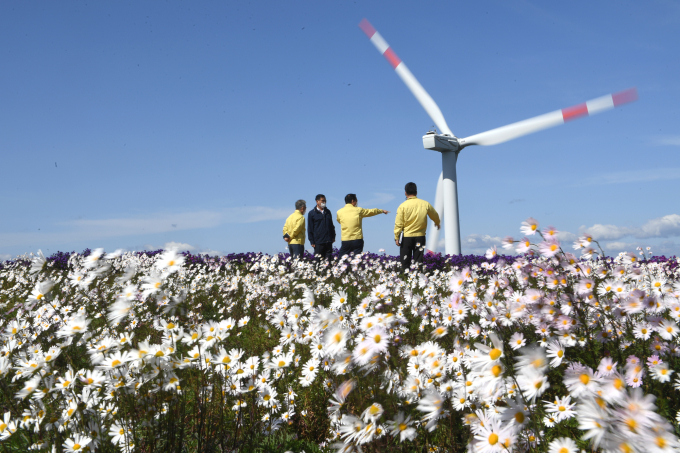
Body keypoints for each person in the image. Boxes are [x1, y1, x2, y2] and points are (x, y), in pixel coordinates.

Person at [394, 182, 440, 271]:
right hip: (420, 237)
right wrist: (437, 222)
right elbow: (435, 215)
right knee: (418, 261)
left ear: (405, 193)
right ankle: (418, 278)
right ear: (416, 192)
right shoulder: (425, 204)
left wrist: (396, 237)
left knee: (405, 261)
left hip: (407, 238)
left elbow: (398, 223)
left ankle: (405, 279)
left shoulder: (402, 206)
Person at [308, 194, 336, 260]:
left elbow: (331, 225)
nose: (324, 202)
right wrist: (312, 241)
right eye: (322, 201)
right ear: (317, 201)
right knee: (318, 261)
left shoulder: (328, 212)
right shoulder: (312, 213)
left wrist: (333, 236)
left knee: (328, 262)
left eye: (325, 201)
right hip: (318, 241)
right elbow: (310, 228)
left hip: (328, 241)